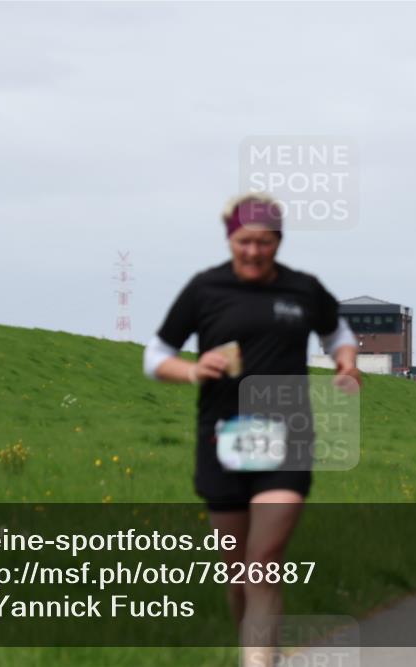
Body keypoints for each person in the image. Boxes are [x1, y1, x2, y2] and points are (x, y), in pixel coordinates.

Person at [143, 193, 360, 665]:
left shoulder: (303, 289)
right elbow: (155, 356)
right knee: (236, 571)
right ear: (230, 238)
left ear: (279, 241)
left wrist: (346, 362)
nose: (255, 252)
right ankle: (264, 649)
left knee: (262, 564)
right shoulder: (205, 289)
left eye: (265, 242)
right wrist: (194, 370)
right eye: (245, 242)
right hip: (222, 440)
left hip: (288, 438)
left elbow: (337, 331)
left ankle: (257, 661)